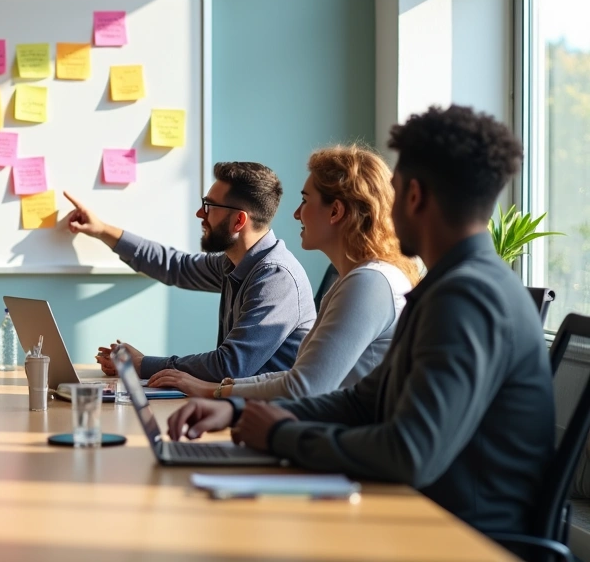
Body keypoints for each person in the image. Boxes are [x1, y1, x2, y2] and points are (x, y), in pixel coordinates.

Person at [165, 105, 554, 537]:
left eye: (395, 186)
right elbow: (363, 401)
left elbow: (408, 451)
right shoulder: (448, 285)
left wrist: (280, 436)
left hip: (455, 534)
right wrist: (236, 411)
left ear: (414, 195)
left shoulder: (466, 297)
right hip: (423, 513)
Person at [150, 146, 420, 398]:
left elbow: (303, 387)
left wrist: (215, 391)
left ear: (335, 211)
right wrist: (221, 387)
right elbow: (300, 376)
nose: (295, 214)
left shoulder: (367, 283)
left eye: (305, 201)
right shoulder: (352, 281)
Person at [66, 161, 315, 382]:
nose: (200, 214)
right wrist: (100, 230)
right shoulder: (233, 263)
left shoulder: (275, 278)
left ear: (239, 221)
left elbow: (230, 365)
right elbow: (175, 266)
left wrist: (143, 365)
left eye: (209, 206)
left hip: (266, 420)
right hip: (235, 406)